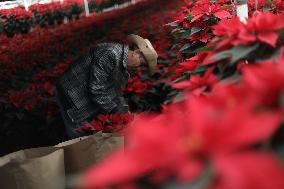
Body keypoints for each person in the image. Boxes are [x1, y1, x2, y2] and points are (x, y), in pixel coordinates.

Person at [54, 34, 159, 139]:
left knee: (90, 132)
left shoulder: (123, 66)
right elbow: (96, 90)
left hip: (84, 93)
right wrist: (118, 112)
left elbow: (115, 93)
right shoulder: (110, 54)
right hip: (72, 93)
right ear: (136, 53)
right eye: (141, 65)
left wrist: (126, 112)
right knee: (79, 135)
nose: (139, 69)